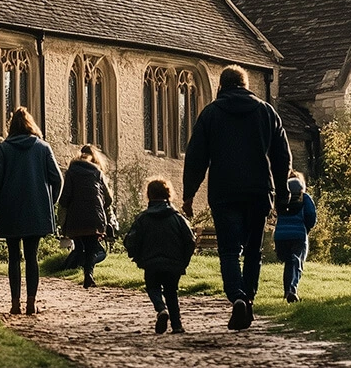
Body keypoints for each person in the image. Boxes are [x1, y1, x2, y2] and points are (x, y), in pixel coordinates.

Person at [181, 65, 292, 330]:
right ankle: (249, 299)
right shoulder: (266, 112)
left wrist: (188, 195)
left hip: (224, 193)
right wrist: (283, 195)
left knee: (229, 251)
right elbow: (282, 157)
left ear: (221, 86)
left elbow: (196, 157)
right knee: (253, 251)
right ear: (246, 85)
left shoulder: (211, 114)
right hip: (258, 192)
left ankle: (238, 298)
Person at [0, 106, 62, 315]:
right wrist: (50, 202)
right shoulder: (43, 147)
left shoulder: (4, 148)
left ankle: (14, 303)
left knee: (13, 256)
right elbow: (58, 179)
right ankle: (31, 302)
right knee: (32, 256)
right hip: (36, 209)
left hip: (11, 209)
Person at [124, 179, 196, 334]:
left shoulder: (143, 218)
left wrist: (137, 257)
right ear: (168, 194)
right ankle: (177, 325)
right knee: (171, 292)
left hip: (151, 263)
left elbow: (131, 241)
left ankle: (161, 309)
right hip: (173, 263)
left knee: (153, 287)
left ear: (149, 195)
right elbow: (190, 241)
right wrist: (184, 260)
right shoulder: (178, 218)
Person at [59, 144, 113, 288]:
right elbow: (109, 199)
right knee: (91, 249)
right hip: (94, 218)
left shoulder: (71, 173)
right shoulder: (98, 173)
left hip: (75, 219)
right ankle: (88, 274)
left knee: (79, 246)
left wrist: (64, 217)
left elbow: (64, 198)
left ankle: (68, 267)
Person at [274, 171, 317, 303]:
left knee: (289, 262)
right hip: (298, 235)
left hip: (281, 236)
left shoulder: (281, 199)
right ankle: (292, 290)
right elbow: (311, 216)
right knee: (296, 262)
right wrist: (307, 228)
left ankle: (287, 291)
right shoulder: (305, 198)